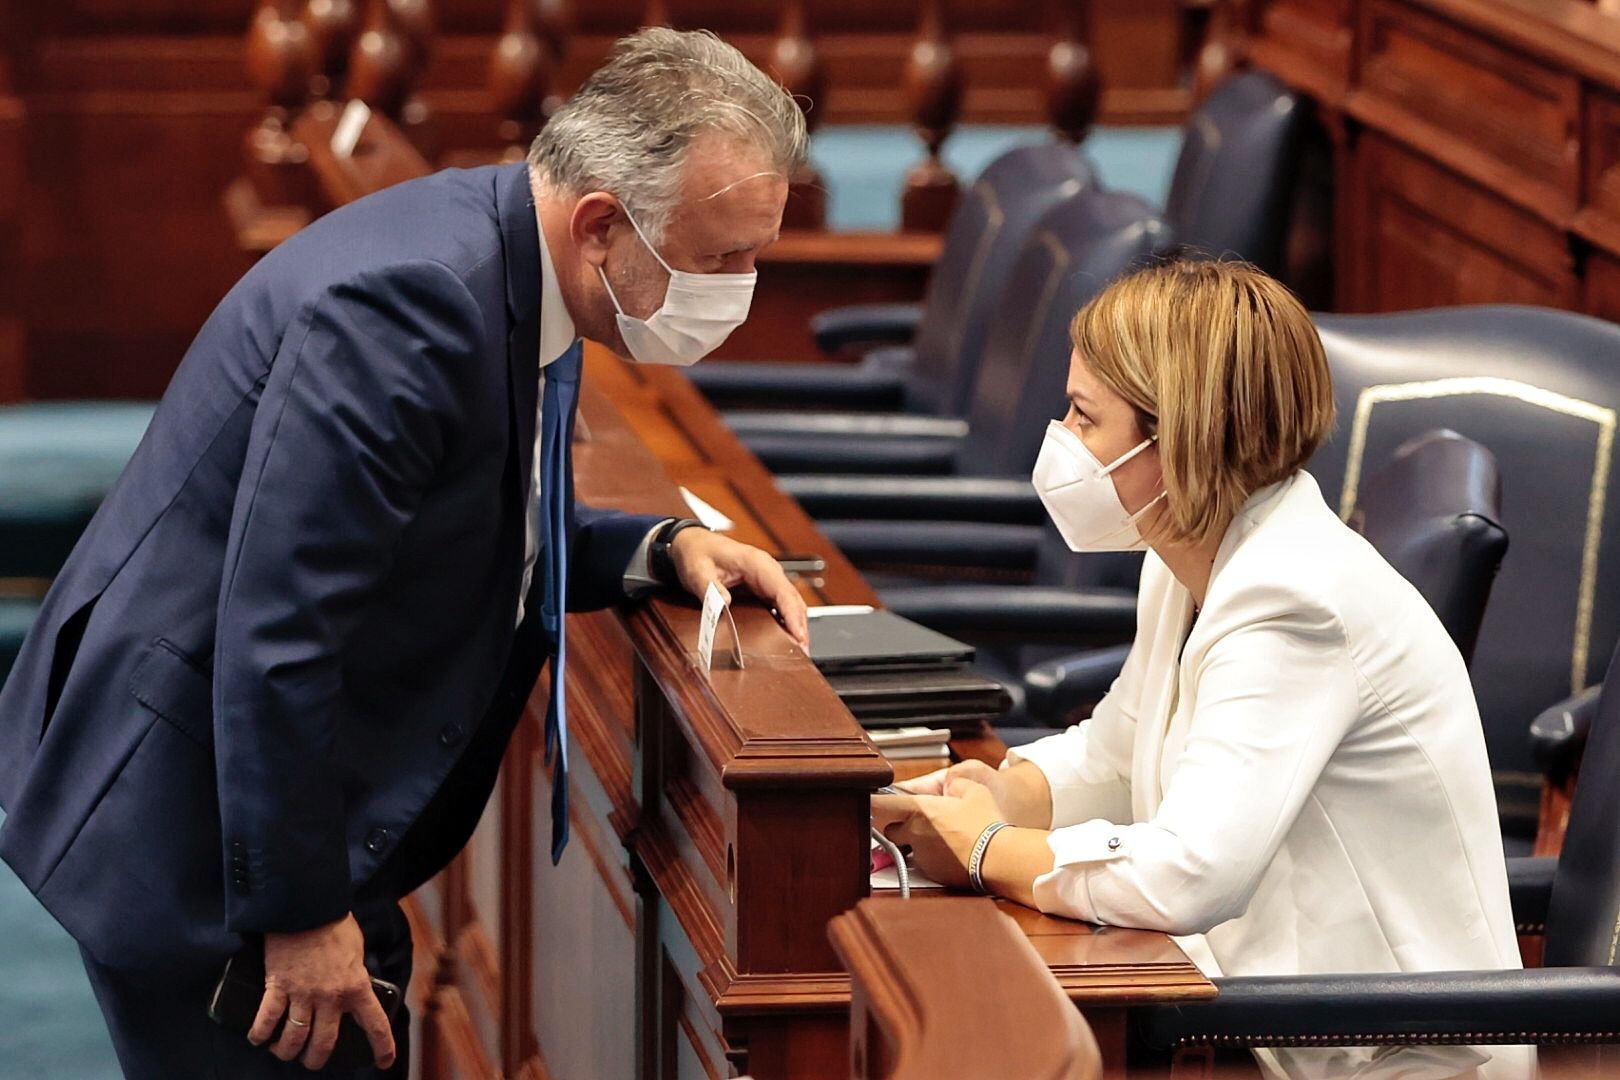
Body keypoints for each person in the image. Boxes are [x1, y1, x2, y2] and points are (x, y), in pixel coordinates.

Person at [0, 28, 810, 1079]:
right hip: (201, 832)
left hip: (268, 803)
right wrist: (298, 913)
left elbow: (476, 523)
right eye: (721, 260)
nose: (742, 288)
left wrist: (663, 548)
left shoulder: (520, 254)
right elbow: (279, 627)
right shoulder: (412, 306)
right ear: (604, 225)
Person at [873, 259, 1533, 1080]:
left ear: (1179, 437)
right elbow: (1118, 750)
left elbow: (1189, 873)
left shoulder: (1294, 598)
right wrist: (1003, 791)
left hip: (1401, 1055)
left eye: (1084, 417)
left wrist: (991, 851)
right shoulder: (1188, 557)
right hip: (1281, 1027)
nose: (1061, 442)